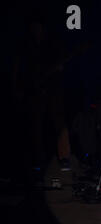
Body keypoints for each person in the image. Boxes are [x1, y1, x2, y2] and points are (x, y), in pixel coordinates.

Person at [12, 20, 72, 173]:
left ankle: (64, 157)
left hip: (52, 90)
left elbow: (59, 65)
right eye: (34, 27)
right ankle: (38, 160)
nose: (36, 29)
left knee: (59, 123)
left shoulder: (51, 45)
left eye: (39, 26)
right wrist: (18, 86)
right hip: (35, 91)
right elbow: (19, 67)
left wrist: (57, 69)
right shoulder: (27, 46)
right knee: (35, 125)